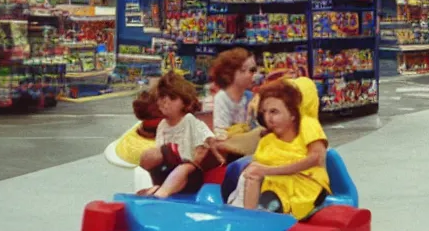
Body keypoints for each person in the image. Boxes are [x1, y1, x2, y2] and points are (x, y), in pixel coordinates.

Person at [239, 78, 330, 219]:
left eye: (274, 112)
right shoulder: (267, 141)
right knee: (256, 186)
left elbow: (317, 158)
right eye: (265, 112)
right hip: (276, 189)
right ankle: (248, 222)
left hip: (305, 188)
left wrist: (269, 170)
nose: (268, 118)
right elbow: (257, 173)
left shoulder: (307, 124)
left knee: (271, 210)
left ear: (293, 113)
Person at [138, 72, 225, 198]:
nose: (165, 102)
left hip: (189, 172)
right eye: (161, 97)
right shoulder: (163, 125)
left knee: (183, 168)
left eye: (172, 98)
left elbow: (208, 140)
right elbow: (159, 153)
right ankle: (156, 186)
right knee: (149, 156)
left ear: (185, 102)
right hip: (168, 168)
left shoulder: (189, 120)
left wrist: (209, 152)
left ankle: (162, 193)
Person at [210, 47, 258, 136]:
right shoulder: (222, 98)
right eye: (251, 71)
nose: (255, 75)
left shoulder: (251, 97)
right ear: (233, 72)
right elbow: (221, 133)